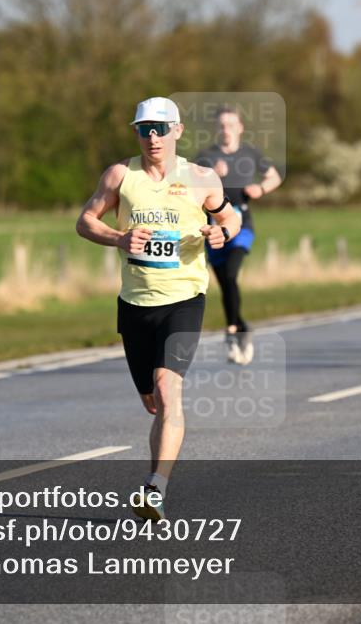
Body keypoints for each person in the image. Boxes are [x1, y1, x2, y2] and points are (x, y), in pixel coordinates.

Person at [75, 97, 241, 520]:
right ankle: (155, 479)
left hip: (184, 298)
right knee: (152, 399)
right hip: (135, 303)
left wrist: (221, 233)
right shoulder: (120, 175)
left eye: (161, 129)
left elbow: (231, 218)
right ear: (137, 132)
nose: (153, 137)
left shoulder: (201, 177)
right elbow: (85, 221)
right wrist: (118, 238)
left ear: (177, 131)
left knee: (168, 390)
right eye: (145, 129)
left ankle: (155, 489)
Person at [194, 106, 283, 364]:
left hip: (242, 226)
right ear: (216, 128)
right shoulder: (206, 157)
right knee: (226, 284)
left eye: (231, 125)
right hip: (214, 229)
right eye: (222, 125)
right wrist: (212, 176)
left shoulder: (250, 153)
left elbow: (274, 177)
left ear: (240, 128)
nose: (226, 130)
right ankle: (241, 326)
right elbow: (190, 188)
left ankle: (232, 330)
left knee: (232, 274)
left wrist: (260, 189)